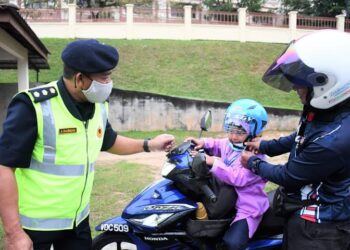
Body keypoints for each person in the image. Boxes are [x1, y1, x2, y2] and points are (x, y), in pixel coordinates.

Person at [0, 39, 175, 250]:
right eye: (104, 77)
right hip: (36, 228)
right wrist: (14, 233)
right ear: (80, 79)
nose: (108, 83)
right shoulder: (34, 106)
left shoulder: (98, 106)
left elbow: (109, 142)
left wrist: (150, 144)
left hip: (77, 223)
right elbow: (4, 167)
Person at [241, 29, 350, 250]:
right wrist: (265, 146)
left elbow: (290, 176)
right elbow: (301, 137)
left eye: (302, 81)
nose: (296, 88)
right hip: (302, 198)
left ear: (327, 84)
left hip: (320, 225)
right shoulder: (325, 111)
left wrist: (253, 163)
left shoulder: (334, 140)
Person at [187, 99, 269, 250]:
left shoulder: (256, 156)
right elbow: (218, 144)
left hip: (246, 208)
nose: (233, 136)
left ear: (253, 132)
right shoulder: (232, 144)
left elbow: (239, 177)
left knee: (232, 244)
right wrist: (202, 143)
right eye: (230, 129)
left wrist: (213, 161)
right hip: (224, 199)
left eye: (239, 132)